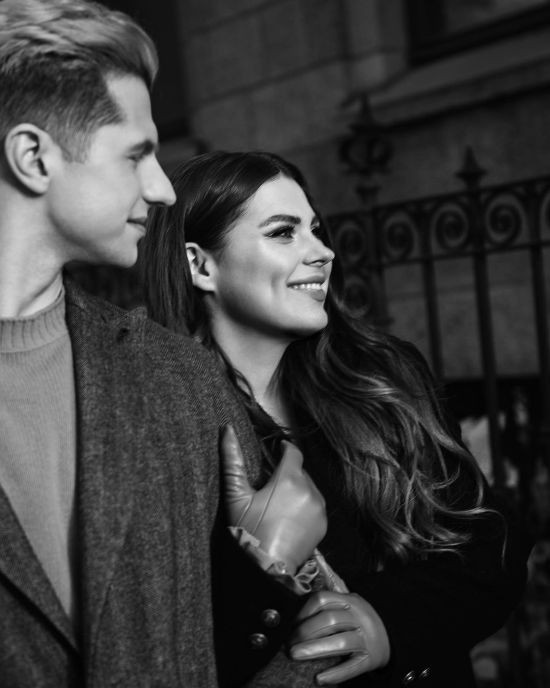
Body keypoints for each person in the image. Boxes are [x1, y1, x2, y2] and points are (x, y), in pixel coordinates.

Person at [0, 3, 331, 686]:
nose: (160, 188)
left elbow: (302, 648)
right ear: (33, 157)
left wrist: (267, 567)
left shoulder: (178, 378)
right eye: (137, 154)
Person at [142, 150, 531, 688]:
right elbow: (165, 649)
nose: (322, 251)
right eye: (284, 232)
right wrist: (265, 563)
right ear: (200, 265)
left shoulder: (383, 377)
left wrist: (388, 621)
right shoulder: (161, 420)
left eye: (316, 230)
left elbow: (490, 545)